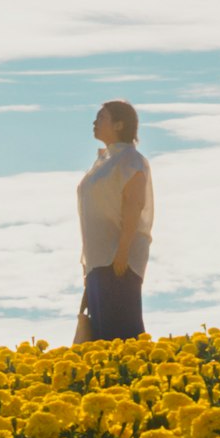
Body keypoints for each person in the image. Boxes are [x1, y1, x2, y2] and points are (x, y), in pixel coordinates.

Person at [75, 100, 152, 343]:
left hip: (118, 260)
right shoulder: (104, 162)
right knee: (101, 336)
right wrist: (89, 266)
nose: (95, 122)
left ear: (119, 124)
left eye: (102, 117)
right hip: (99, 260)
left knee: (120, 334)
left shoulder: (130, 159)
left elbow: (134, 206)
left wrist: (122, 253)